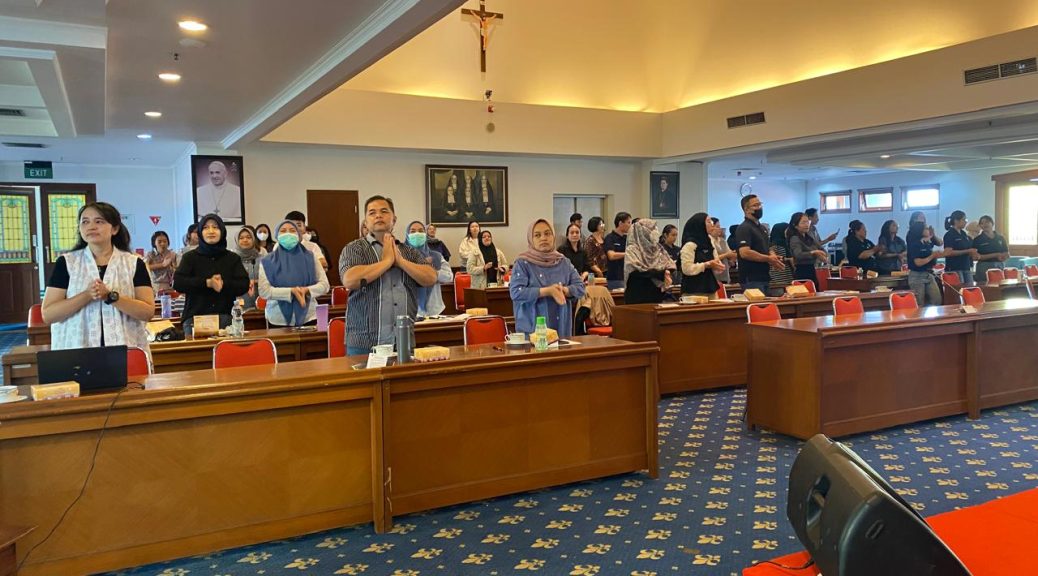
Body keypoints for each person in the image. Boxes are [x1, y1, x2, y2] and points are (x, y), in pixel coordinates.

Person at [41, 202, 153, 353]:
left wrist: (110, 296)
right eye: (85, 222)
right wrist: (87, 295)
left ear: (115, 229)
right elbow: (48, 315)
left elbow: (147, 312)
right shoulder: (67, 263)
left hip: (126, 349)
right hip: (76, 351)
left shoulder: (134, 263)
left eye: (99, 221)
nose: (91, 227)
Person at [339, 195, 437, 356]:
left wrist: (400, 262)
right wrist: (386, 262)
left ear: (394, 219)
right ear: (365, 222)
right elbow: (350, 280)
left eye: (384, 211)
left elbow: (431, 277)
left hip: (403, 340)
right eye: (372, 213)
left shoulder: (408, 251)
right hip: (364, 341)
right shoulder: (354, 248)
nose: (378, 215)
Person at [173, 214, 250, 331]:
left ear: (222, 231)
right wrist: (207, 283)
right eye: (206, 227)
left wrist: (223, 284)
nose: (211, 231)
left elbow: (243, 284)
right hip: (195, 318)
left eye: (215, 227)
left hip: (226, 317)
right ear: (200, 232)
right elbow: (178, 283)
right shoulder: (190, 257)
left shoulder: (232, 258)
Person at [509, 219, 586, 337]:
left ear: (553, 236)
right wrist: (548, 291)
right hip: (532, 328)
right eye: (537, 235)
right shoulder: (523, 263)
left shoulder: (563, 262)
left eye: (547, 233)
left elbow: (580, 287)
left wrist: (564, 290)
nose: (543, 238)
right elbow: (516, 292)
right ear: (531, 239)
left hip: (561, 326)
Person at [258, 220, 330, 326]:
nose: (288, 234)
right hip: (278, 319)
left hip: (309, 316)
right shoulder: (267, 261)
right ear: (277, 236)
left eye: (292, 231)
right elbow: (264, 291)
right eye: (283, 231)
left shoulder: (311, 257)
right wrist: (291, 291)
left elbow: (325, 285)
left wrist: (306, 290)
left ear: (298, 235)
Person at [735, 195, 784, 292]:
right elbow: (745, 253)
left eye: (760, 204)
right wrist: (768, 258)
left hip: (764, 275)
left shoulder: (762, 228)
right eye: (755, 205)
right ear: (746, 209)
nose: (759, 208)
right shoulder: (744, 228)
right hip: (751, 277)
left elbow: (768, 247)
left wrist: (773, 257)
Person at [407, 220, 454, 316]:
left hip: (434, 309)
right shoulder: (402, 256)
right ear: (407, 235)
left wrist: (431, 272)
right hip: (409, 309)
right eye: (412, 231)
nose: (417, 234)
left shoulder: (436, 256)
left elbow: (449, 276)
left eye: (421, 231)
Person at [624, 219, 676, 304]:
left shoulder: (657, 248)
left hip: (656, 293)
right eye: (652, 229)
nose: (656, 231)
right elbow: (634, 271)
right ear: (643, 231)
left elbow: (670, 264)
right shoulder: (633, 249)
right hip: (637, 294)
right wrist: (658, 272)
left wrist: (666, 271)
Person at [679, 213, 724, 298]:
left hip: (710, 287)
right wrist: (706, 265)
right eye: (708, 222)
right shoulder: (690, 244)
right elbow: (686, 268)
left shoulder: (709, 241)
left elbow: (715, 260)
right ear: (700, 225)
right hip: (693, 290)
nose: (712, 224)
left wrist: (718, 266)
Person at [906, 221, 948, 306]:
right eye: (926, 228)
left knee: (937, 300)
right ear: (920, 230)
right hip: (917, 276)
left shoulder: (927, 242)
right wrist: (932, 256)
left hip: (929, 273)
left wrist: (932, 235)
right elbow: (918, 262)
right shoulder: (914, 244)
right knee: (919, 303)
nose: (928, 229)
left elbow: (940, 243)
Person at [786, 212, 827, 285]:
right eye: (803, 222)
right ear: (795, 225)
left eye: (808, 222)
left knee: (815, 289)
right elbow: (798, 255)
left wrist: (821, 254)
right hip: (801, 271)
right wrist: (814, 253)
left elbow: (820, 248)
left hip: (812, 269)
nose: (806, 225)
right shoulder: (795, 238)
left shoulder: (809, 237)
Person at [943, 210, 977, 285]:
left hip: (966, 266)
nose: (965, 222)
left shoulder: (963, 234)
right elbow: (948, 252)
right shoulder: (949, 234)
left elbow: (968, 248)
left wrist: (973, 253)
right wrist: (967, 251)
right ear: (956, 221)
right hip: (954, 267)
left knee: (970, 288)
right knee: (959, 289)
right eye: (964, 220)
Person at [972, 215, 1010, 283]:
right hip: (984, 266)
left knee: (1000, 285)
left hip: (999, 265)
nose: (985, 224)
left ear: (992, 223)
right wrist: (996, 255)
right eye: (982, 223)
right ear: (980, 226)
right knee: (985, 286)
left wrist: (1004, 257)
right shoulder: (977, 240)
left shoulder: (1000, 238)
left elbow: (1006, 253)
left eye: (987, 222)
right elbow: (976, 257)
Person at [234, 225, 264, 310]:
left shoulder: (263, 259)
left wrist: (256, 281)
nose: (245, 240)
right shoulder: (232, 260)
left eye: (248, 237)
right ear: (237, 240)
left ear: (253, 239)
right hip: (238, 307)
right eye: (241, 238)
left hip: (262, 306)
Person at [605, 212, 632, 290]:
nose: (630, 225)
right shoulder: (610, 238)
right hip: (615, 278)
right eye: (628, 222)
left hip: (627, 276)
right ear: (620, 223)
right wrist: (629, 253)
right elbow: (611, 255)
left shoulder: (627, 238)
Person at [768, 223, 795, 296]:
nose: (788, 232)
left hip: (786, 277)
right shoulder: (774, 246)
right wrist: (789, 259)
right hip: (777, 279)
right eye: (786, 230)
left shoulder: (785, 243)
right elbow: (774, 259)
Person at [710, 217, 736, 284]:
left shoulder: (723, 241)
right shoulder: (708, 241)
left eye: (720, 226)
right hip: (713, 276)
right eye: (717, 227)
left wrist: (732, 256)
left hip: (725, 275)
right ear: (711, 227)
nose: (720, 229)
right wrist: (726, 255)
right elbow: (712, 258)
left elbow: (729, 253)